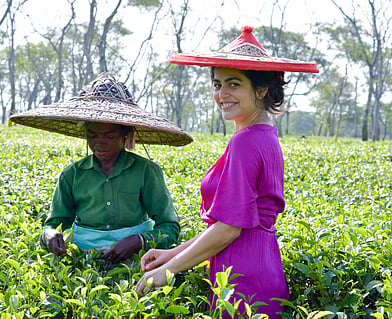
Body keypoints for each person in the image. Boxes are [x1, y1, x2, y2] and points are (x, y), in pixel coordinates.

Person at [136, 26, 318, 318]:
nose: (222, 94)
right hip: (258, 266)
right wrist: (171, 254)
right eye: (217, 84)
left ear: (261, 89)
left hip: (242, 277)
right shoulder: (265, 136)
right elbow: (227, 223)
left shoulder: (245, 141)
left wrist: (168, 271)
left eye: (234, 84)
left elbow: (230, 228)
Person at [10, 72, 193, 263]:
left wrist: (139, 241)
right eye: (92, 135)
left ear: (125, 134)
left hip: (136, 257)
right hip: (83, 257)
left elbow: (169, 227)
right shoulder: (72, 175)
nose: (100, 142)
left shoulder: (146, 171)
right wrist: (48, 235)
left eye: (110, 136)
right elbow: (55, 224)